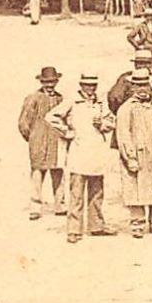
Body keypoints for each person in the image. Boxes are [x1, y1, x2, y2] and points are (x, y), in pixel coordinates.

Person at [49, 73, 117, 242]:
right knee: (76, 194)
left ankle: (96, 226)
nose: (90, 88)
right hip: (79, 153)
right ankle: (73, 230)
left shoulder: (101, 102)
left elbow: (112, 121)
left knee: (97, 193)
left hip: (97, 153)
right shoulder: (72, 101)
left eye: (93, 85)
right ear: (81, 85)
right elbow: (51, 117)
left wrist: (103, 124)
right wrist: (67, 132)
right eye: (87, 85)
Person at [115, 69, 152, 237]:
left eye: (145, 85)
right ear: (133, 87)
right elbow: (123, 135)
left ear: (150, 86)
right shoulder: (126, 109)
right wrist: (130, 158)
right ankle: (137, 224)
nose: (142, 89)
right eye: (138, 85)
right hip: (137, 154)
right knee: (136, 189)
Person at [18, 67, 66, 218]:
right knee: (38, 172)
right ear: (41, 82)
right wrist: (33, 137)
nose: (50, 85)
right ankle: (35, 207)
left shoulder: (60, 99)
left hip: (57, 140)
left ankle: (59, 204)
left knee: (58, 171)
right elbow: (23, 123)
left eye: (52, 82)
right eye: (46, 82)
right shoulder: (33, 98)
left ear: (57, 81)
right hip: (38, 141)